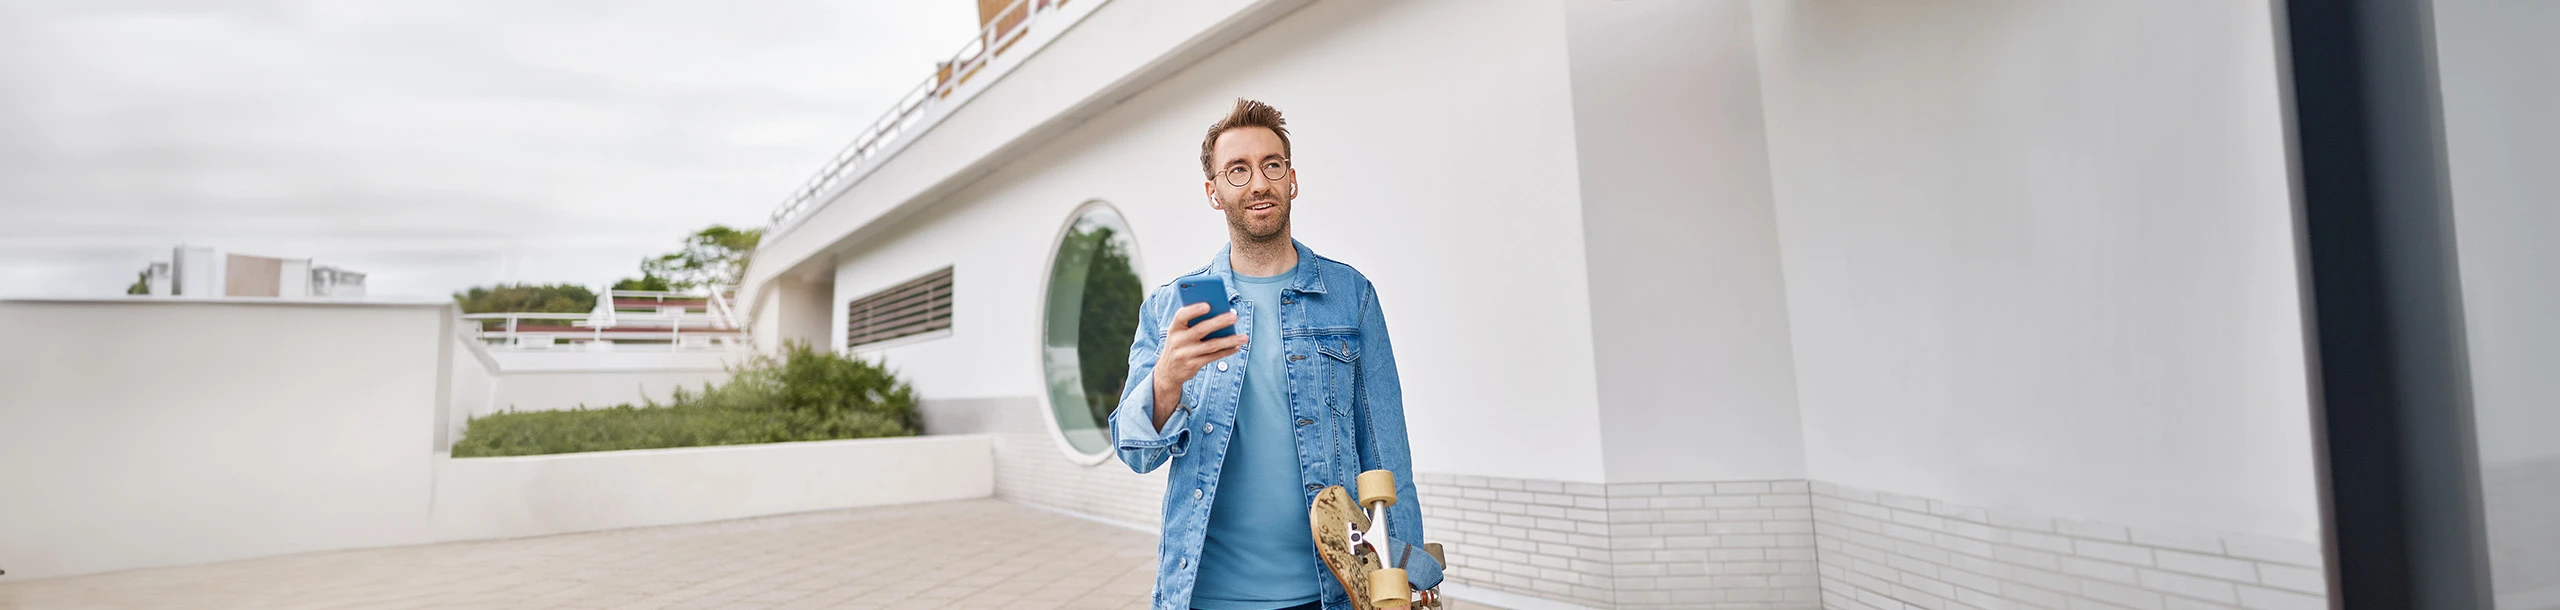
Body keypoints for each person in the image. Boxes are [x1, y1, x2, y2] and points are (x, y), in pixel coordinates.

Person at [1111, 98, 1441, 610]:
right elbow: (1134, 452)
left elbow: (1387, 450)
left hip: (1329, 591)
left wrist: (1407, 569)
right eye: (1237, 171)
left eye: (1271, 165)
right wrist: (1166, 380)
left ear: (1292, 180)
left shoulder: (1350, 296)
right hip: (1204, 594)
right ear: (1213, 193)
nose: (1258, 183)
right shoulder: (1171, 308)